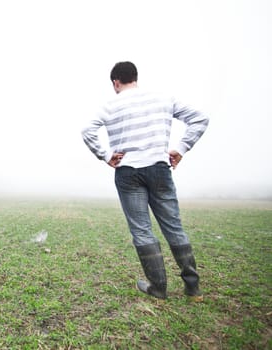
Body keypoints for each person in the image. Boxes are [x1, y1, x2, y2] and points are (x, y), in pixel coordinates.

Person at [81, 61, 209, 301]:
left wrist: (106, 155)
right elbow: (200, 118)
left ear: (116, 82)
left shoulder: (111, 104)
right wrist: (181, 148)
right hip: (159, 168)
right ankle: (193, 288)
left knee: (142, 230)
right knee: (174, 227)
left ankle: (158, 287)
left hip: (128, 172)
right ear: (135, 78)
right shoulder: (162, 98)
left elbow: (87, 130)